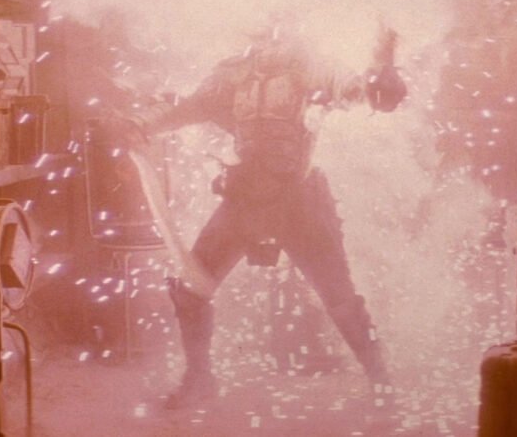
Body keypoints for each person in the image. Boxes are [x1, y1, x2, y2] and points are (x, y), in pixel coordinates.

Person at [105, 23, 407, 409]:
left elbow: (364, 92)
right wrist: (141, 125)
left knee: (340, 299)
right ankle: (199, 379)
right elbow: (190, 107)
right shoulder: (233, 72)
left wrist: (383, 74)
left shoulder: (312, 66)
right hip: (245, 197)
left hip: (298, 200)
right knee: (191, 289)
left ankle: (381, 383)